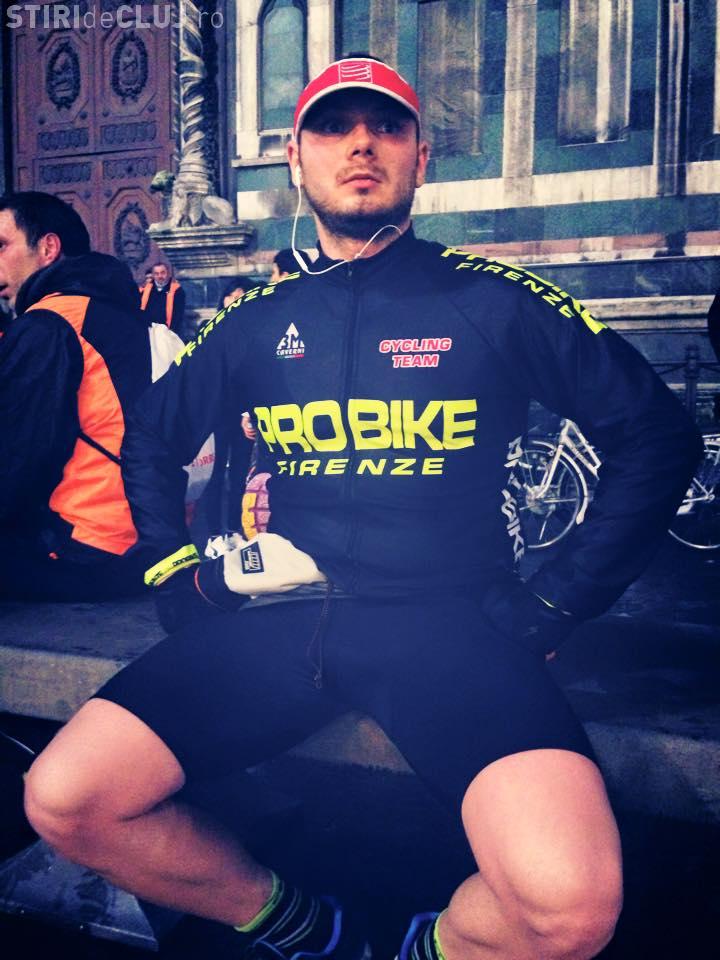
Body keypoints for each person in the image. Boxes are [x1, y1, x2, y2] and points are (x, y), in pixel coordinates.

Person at [24, 58, 701, 960]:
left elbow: (656, 436)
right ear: (295, 160)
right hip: (281, 621)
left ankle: (425, 949)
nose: (360, 146)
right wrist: (172, 569)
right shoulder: (256, 319)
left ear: (421, 158)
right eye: (332, 129)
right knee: (65, 799)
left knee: (569, 910)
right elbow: (150, 436)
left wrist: (555, 600)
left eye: (384, 128)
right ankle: (310, 930)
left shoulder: (490, 299)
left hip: (450, 627)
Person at [0, 191, 150, 600]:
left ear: (48, 248)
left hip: (82, 551)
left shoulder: (48, 324)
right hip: (149, 541)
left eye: (2, 245)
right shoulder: (119, 313)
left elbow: (15, 458)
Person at [139, 261, 186, 333]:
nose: (160, 276)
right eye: (156, 273)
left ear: (168, 273)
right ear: (153, 275)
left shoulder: (177, 290)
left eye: (163, 273)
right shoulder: (144, 289)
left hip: (168, 331)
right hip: (148, 330)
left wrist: (172, 331)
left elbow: (178, 314)